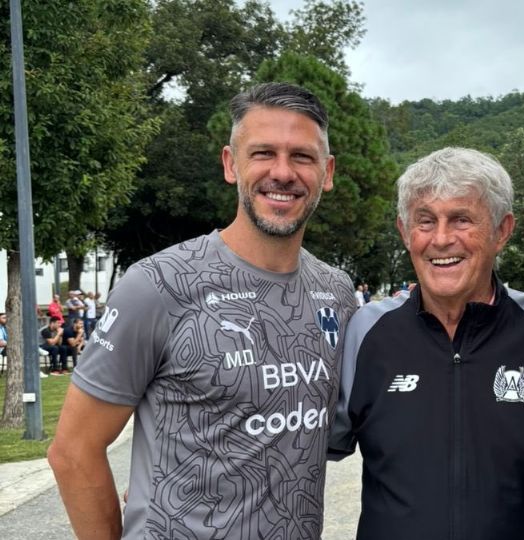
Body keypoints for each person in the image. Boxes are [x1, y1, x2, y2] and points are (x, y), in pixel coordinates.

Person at [48, 82, 358, 540]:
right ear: (231, 165)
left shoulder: (337, 292)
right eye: (263, 153)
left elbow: (324, 433)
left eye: (302, 157)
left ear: (327, 172)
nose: (283, 172)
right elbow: (73, 451)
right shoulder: (158, 285)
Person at [329, 147, 524, 540]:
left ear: (502, 231)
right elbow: (310, 444)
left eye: (462, 219)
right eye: (425, 221)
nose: (442, 239)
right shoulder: (367, 332)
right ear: (404, 231)